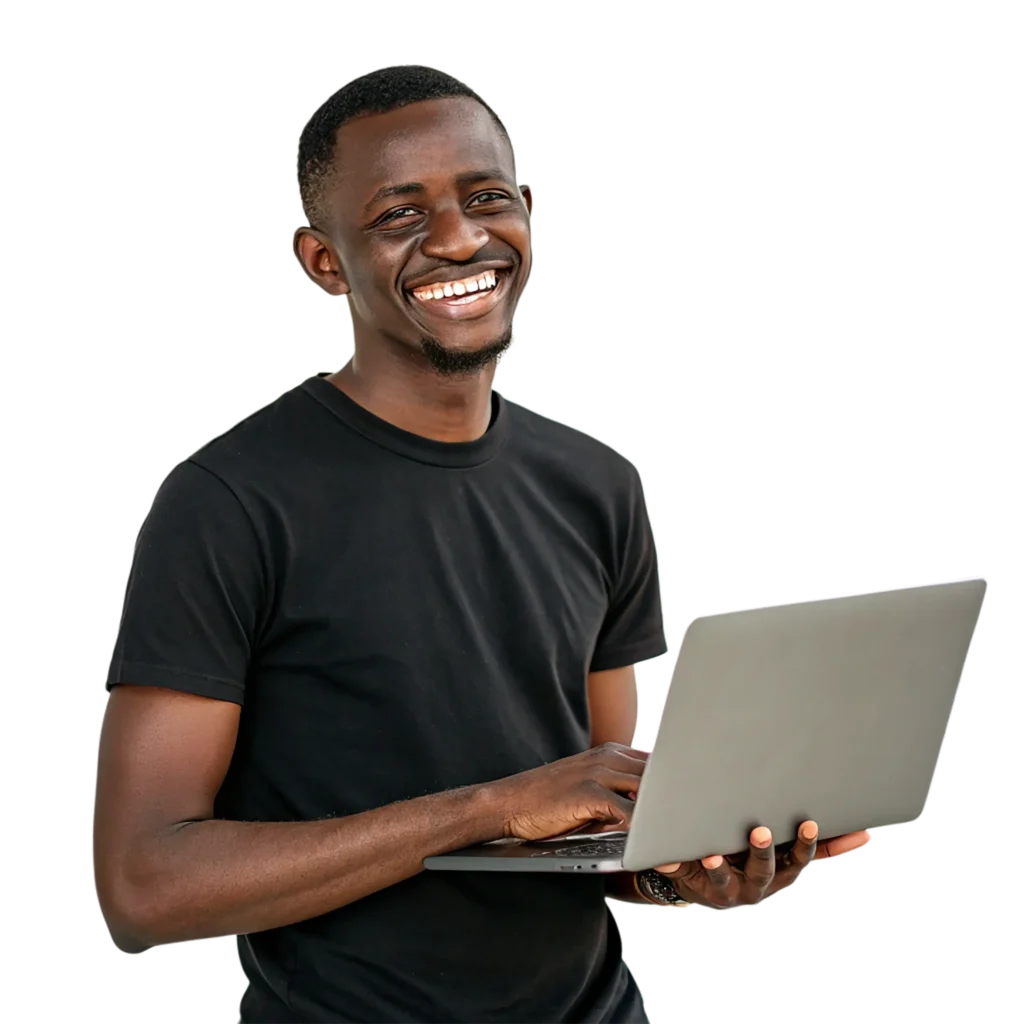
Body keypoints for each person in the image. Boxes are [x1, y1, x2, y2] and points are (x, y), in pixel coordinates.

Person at [93, 64, 871, 1024]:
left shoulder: (598, 485)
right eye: (399, 214)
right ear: (323, 261)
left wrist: (684, 870)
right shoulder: (227, 501)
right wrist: (487, 807)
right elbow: (145, 888)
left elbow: (586, 824)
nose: (459, 238)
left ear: (528, 212)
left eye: (486, 197)